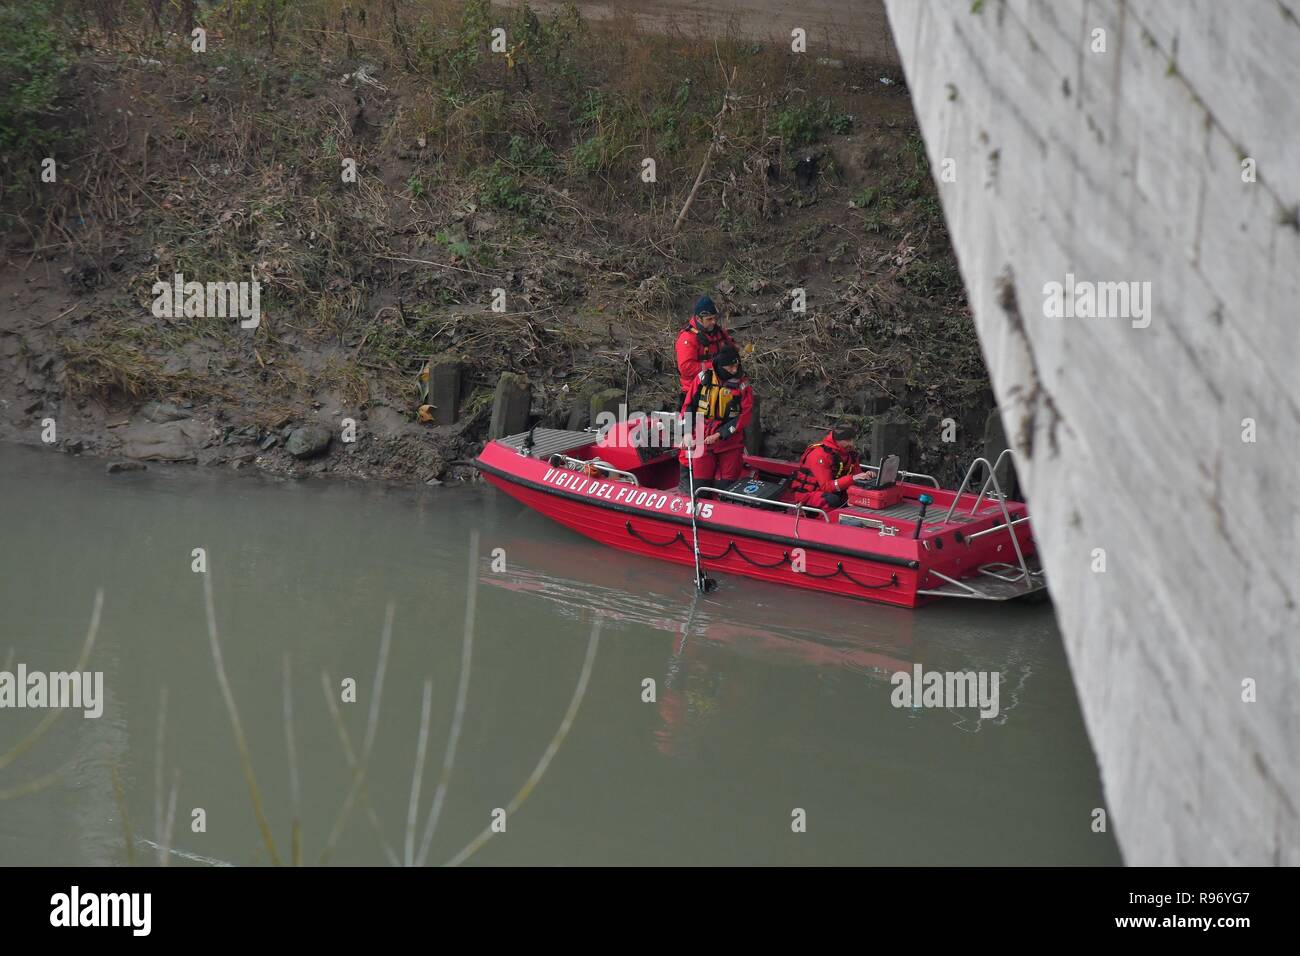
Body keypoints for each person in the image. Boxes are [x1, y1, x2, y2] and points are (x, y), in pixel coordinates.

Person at [677, 345, 752, 493]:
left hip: (729, 440)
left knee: (726, 484)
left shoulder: (742, 384)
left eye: (736, 366)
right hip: (702, 436)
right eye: (730, 367)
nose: (734, 371)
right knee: (700, 483)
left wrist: (720, 434)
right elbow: (688, 406)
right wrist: (686, 434)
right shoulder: (703, 378)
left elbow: (745, 415)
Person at [789, 424, 864, 510]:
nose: (851, 444)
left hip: (835, 492)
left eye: (852, 440)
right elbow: (826, 487)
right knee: (832, 499)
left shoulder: (850, 454)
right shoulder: (820, 455)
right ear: (837, 440)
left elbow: (857, 475)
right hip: (810, 495)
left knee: (859, 496)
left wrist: (865, 477)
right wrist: (853, 479)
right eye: (847, 440)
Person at [674, 294, 737, 396]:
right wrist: (714, 365)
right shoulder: (688, 338)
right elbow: (685, 368)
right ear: (698, 319)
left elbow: (732, 347)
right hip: (695, 390)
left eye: (714, 318)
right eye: (709, 319)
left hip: (720, 386)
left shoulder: (718, 332)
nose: (713, 322)